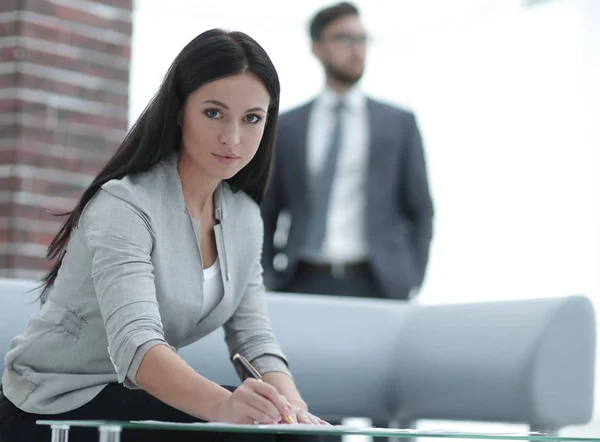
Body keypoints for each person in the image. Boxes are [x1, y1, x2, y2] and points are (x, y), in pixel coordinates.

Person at [0, 29, 327, 442]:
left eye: (252, 118)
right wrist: (224, 407)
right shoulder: (124, 204)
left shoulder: (244, 216)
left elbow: (254, 338)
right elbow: (137, 347)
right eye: (214, 113)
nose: (233, 138)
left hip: (130, 395)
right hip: (53, 403)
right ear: (179, 109)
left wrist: (294, 411)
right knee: (236, 432)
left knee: (294, 433)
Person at [261, 2, 434, 302]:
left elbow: (421, 209)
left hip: (378, 282)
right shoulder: (287, 126)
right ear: (317, 47)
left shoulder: (398, 123)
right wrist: (267, 276)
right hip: (301, 280)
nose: (356, 48)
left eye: (362, 38)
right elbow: (266, 210)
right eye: (343, 38)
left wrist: (411, 276)